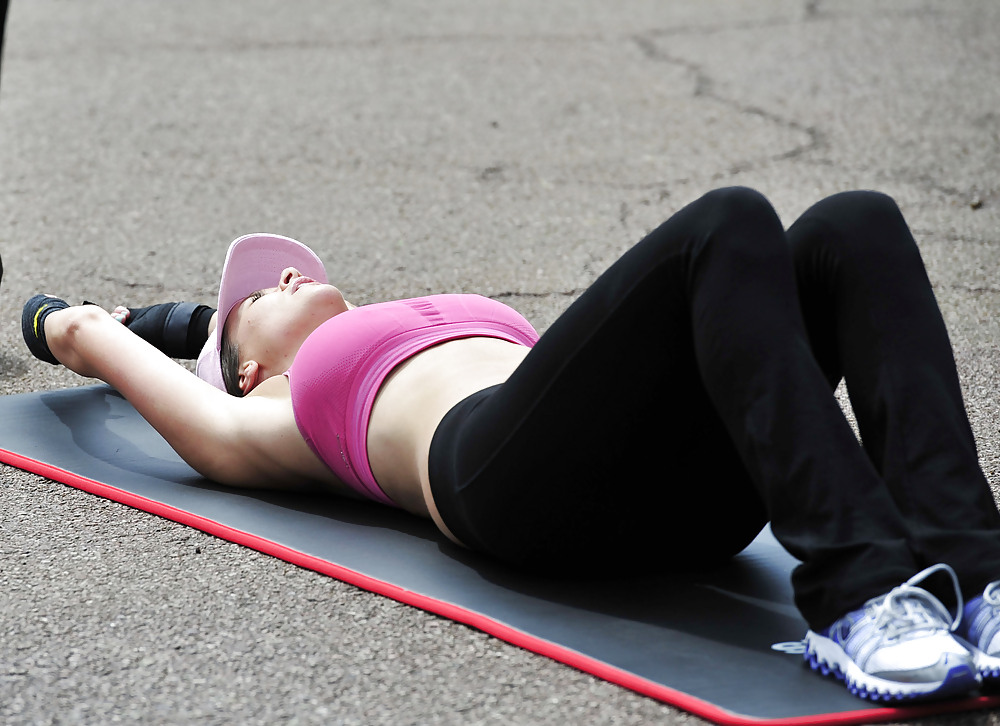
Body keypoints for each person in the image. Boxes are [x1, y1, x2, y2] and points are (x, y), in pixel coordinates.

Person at [21, 187, 1000, 703]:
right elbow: (194, 421)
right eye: (254, 303)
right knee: (727, 219)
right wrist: (73, 326)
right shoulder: (277, 411)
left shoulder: (406, 324)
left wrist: (206, 318)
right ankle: (863, 597)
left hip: (669, 490)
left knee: (851, 225)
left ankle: (978, 577)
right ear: (243, 369)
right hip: (514, 489)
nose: (278, 283)